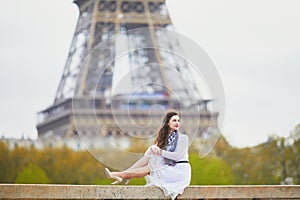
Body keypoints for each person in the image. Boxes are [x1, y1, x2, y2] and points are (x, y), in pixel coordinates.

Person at [105, 110, 191, 200]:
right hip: (169, 168)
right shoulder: (163, 139)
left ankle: (120, 175)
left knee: (151, 167)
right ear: (167, 123)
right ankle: (125, 174)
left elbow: (176, 156)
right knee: (151, 159)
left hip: (180, 171)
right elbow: (147, 157)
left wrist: (160, 151)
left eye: (178, 120)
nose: (177, 123)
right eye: (174, 120)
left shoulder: (183, 138)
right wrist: (153, 149)